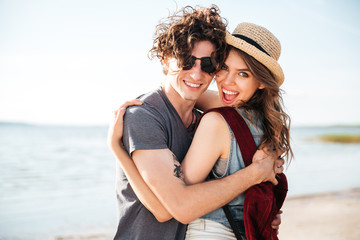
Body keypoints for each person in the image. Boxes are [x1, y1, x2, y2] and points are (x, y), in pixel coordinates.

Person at [108, 5, 284, 240]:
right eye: (185, 60)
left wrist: (263, 212)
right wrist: (117, 149)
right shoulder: (143, 116)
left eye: (210, 65)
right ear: (165, 59)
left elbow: (237, 103)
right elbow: (165, 211)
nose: (197, 73)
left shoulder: (206, 119)